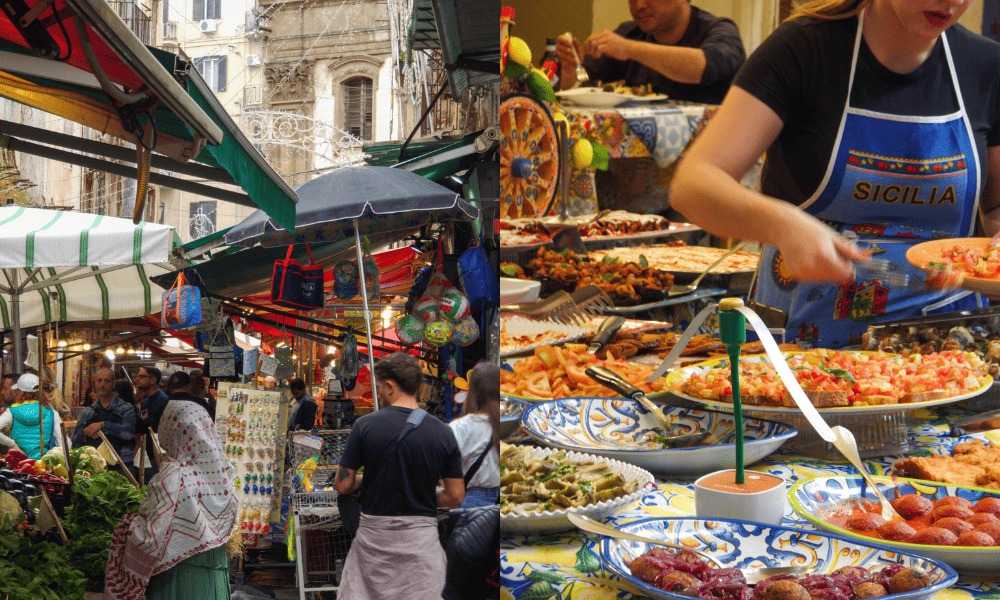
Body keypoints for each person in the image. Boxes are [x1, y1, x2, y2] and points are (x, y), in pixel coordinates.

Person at [671, 0, 1000, 348]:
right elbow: (693, 183)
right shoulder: (804, 49)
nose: (951, 2)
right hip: (805, 348)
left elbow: (995, 209)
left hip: (945, 346)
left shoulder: (985, 66)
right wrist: (783, 223)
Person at [334, 352, 465, 600]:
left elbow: (343, 485)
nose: (379, 393)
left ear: (390, 386)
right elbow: (455, 496)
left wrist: (365, 480)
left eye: (380, 387)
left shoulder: (365, 426)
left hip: (374, 544)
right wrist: (420, 492)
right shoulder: (443, 433)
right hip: (421, 546)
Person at [104, 400, 237, 600]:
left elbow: (150, 536)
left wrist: (127, 526)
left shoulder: (174, 477)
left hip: (176, 583)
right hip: (213, 582)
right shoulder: (223, 475)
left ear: (171, 432)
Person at [556, 0, 745, 104]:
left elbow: (704, 66)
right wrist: (571, 71)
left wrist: (629, 49)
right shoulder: (629, 33)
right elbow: (582, 82)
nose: (639, 5)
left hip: (709, 160)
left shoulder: (721, 30)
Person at [449, 362, 500, 508]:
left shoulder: (458, 427)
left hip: (470, 504)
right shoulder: (509, 423)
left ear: (472, 392)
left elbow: (447, 477)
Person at [72, 368, 137, 475]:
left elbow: (128, 433)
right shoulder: (86, 412)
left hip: (121, 468)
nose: (102, 384)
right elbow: (75, 443)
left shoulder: (126, 408)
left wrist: (102, 425)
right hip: (93, 468)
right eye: (99, 381)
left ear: (113, 384)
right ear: (95, 384)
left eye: (107, 381)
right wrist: (85, 433)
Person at [0, 374, 65, 459]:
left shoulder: (11, 412)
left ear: (21, 392)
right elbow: (62, 443)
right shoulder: (52, 413)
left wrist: (12, 444)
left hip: (19, 467)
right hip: (42, 466)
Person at [135, 366, 168, 482]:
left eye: (142, 376)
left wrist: (147, 421)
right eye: (138, 376)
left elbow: (161, 429)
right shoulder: (146, 400)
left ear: (153, 380)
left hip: (157, 457)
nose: (137, 379)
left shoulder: (163, 401)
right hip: (147, 455)